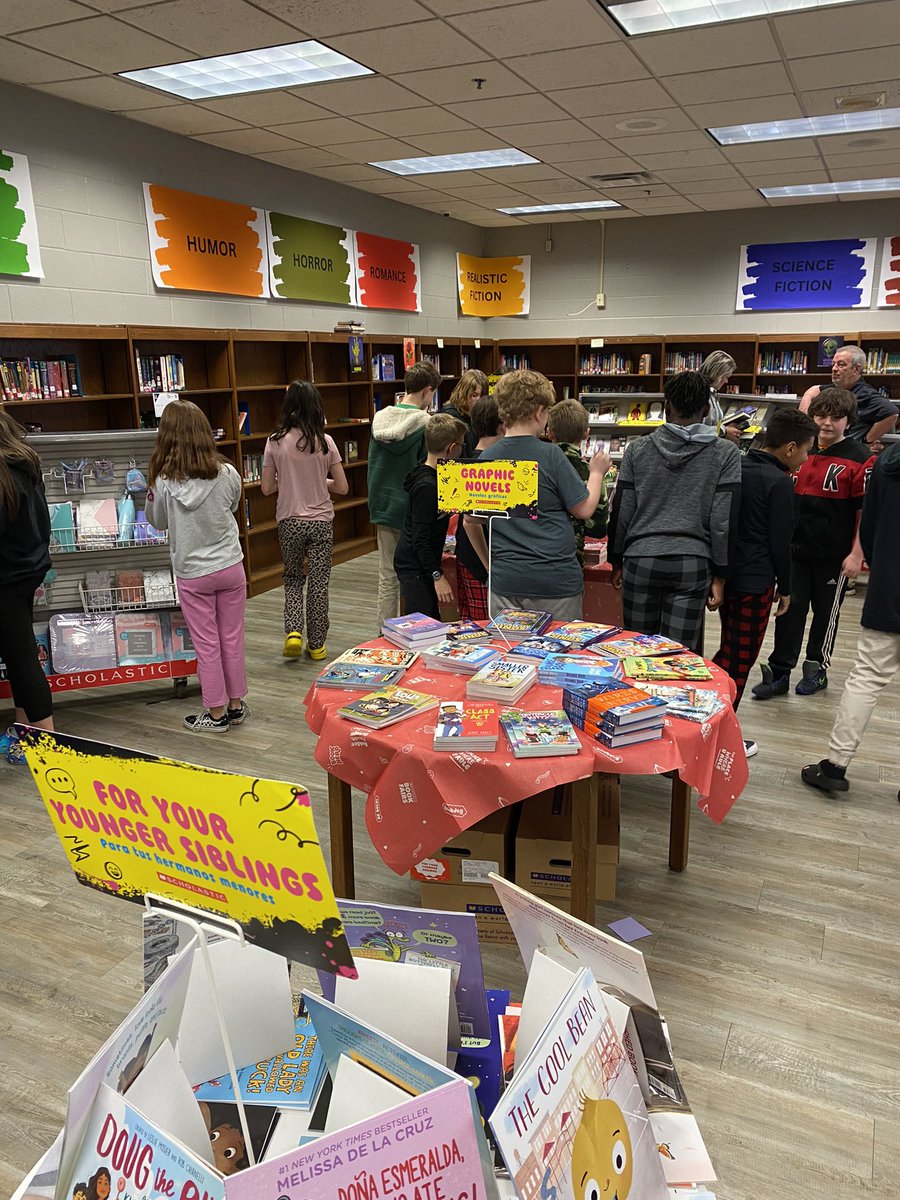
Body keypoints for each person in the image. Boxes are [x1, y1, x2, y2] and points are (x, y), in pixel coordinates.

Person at [752, 388, 876, 701]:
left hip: (833, 557)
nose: (827, 423)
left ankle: (816, 669)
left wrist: (857, 554)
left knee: (825, 616)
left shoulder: (861, 459)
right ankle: (780, 672)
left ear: (848, 421)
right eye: (821, 415)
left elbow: (866, 513)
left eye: (836, 417)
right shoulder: (796, 453)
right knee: (788, 612)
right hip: (794, 553)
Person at [608, 370, 742, 653]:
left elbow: (623, 510)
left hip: (640, 559)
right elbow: (722, 521)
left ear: (666, 406)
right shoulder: (725, 453)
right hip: (692, 563)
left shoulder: (638, 450)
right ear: (706, 409)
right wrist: (721, 575)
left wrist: (616, 559)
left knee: (636, 653)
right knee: (677, 658)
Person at [711, 408, 817, 756]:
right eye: (806, 450)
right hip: (755, 583)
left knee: (728, 652)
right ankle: (719, 734)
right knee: (738, 663)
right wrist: (786, 588)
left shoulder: (734, 466)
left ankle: (709, 719)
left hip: (726, 577)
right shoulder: (779, 483)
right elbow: (780, 543)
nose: (806, 458)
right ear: (789, 448)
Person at [464, 369, 608, 621]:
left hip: (507, 579)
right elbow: (584, 509)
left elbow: (470, 521)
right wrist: (596, 473)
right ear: (538, 412)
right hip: (554, 579)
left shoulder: (487, 459)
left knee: (510, 650)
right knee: (560, 651)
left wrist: (490, 567)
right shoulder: (550, 455)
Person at [800, 439, 900, 797]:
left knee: (868, 676)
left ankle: (835, 765)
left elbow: (869, 531)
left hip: (891, 587)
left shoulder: (888, 462)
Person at [146, 400, 248, 733]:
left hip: (193, 572)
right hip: (231, 566)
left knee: (207, 643)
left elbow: (157, 522)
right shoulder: (228, 472)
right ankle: (236, 705)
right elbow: (233, 505)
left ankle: (216, 714)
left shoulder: (163, 481)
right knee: (231, 638)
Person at [262, 380, 348, 661]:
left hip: (289, 521)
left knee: (292, 578)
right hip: (321, 521)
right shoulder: (327, 442)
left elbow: (266, 488)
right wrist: (319, 479)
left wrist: (288, 479)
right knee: (319, 583)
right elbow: (343, 487)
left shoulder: (274, 441)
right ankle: (318, 645)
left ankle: (293, 631)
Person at [367, 360, 440, 629]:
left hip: (383, 505)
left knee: (387, 575)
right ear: (428, 390)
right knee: (414, 574)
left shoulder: (379, 420)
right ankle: (414, 631)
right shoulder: (426, 425)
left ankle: (384, 632)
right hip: (411, 510)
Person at [0, 410, 55, 765]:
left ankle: (48, 744)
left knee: (21, 659)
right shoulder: (25, 463)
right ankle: (26, 728)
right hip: (27, 571)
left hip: (5, 578)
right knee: (18, 654)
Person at [393, 413, 466, 620]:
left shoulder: (435, 477)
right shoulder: (427, 486)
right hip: (415, 567)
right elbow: (420, 537)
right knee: (422, 625)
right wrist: (437, 576)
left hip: (422, 564)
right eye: (461, 445)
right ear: (452, 448)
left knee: (432, 620)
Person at [452, 393, 504, 622]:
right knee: (486, 627)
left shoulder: (468, 460)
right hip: (480, 561)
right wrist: (489, 567)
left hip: (466, 555)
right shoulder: (489, 466)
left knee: (471, 624)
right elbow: (470, 521)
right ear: (502, 425)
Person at [546, 398, 609, 564]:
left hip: (533, 557)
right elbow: (598, 529)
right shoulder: (591, 473)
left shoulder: (536, 466)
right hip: (570, 560)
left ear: (549, 432)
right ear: (586, 433)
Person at [800, 344, 898, 447]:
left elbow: (892, 413)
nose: (834, 369)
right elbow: (815, 389)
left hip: (846, 451)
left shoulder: (865, 394)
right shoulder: (837, 388)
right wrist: (805, 411)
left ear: (856, 369)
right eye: (833, 364)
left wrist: (867, 441)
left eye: (841, 365)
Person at [698, 350, 743, 444]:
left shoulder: (712, 393)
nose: (726, 381)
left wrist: (726, 426)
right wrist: (724, 431)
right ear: (718, 374)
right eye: (726, 377)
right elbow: (696, 429)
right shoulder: (698, 393)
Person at [441, 368, 488, 455]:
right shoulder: (450, 416)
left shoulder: (478, 416)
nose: (479, 400)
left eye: (482, 396)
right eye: (474, 395)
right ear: (463, 393)